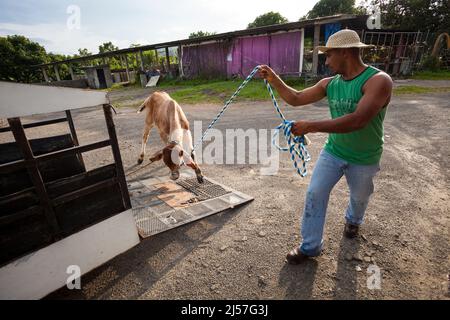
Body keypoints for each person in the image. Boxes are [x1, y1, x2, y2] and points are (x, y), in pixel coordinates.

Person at [258, 29, 393, 264]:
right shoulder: (330, 83)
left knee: (359, 197)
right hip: (334, 152)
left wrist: (311, 126)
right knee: (314, 192)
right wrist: (273, 77)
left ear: (344, 52)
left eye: (329, 56)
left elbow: (358, 120)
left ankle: (353, 220)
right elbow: (296, 98)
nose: (327, 61)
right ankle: (310, 247)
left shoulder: (378, 81)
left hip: (364, 156)